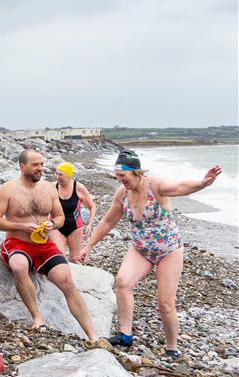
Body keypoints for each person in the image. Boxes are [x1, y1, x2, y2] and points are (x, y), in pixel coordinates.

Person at [79, 150, 222, 358]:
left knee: (165, 302)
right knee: (122, 282)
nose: (120, 180)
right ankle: (125, 336)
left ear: (136, 172)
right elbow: (109, 221)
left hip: (169, 250)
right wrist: (89, 245)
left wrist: (203, 183)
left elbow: (180, 187)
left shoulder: (155, 186)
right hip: (141, 249)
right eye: (117, 176)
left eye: (123, 176)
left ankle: (172, 347)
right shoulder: (121, 193)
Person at [0, 149, 100, 343]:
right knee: (19, 267)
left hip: (44, 244)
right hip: (17, 243)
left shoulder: (49, 188)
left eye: (41, 164)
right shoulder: (8, 189)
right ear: (22, 167)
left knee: (67, 281)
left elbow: (59, 217)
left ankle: (92, 335)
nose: (41, 168)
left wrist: (53, 224)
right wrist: (21, 226)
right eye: (35, 165)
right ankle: (37, 317)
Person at [48, 162, 96, 262]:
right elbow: (44, 206)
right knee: (59, 257)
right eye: (56, 173)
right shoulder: (52, 187)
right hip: (56, 227)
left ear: (68, 175)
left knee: (75, 259)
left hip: (75, 227)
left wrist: (90, 225)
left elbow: (92, 207)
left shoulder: (78, 188)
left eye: (60, 174)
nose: (57, 177)